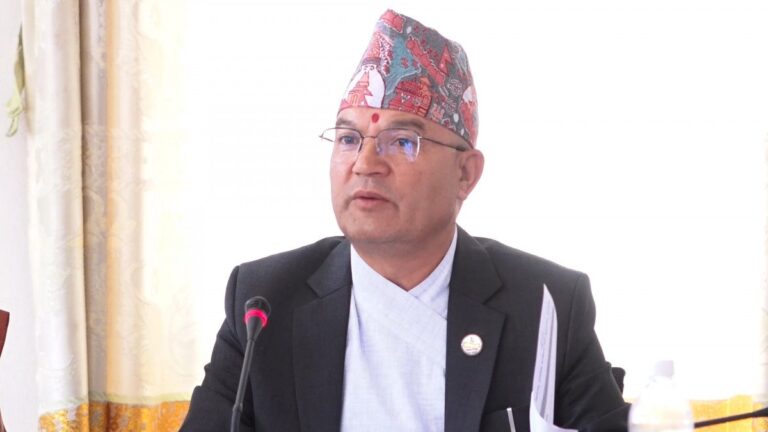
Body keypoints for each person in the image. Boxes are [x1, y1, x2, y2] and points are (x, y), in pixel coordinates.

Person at [181, 9, 629, 432]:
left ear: (465, 174)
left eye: (401, 141)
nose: (365, 163)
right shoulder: (264, 303)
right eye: (349, 138)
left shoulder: (545, 304)